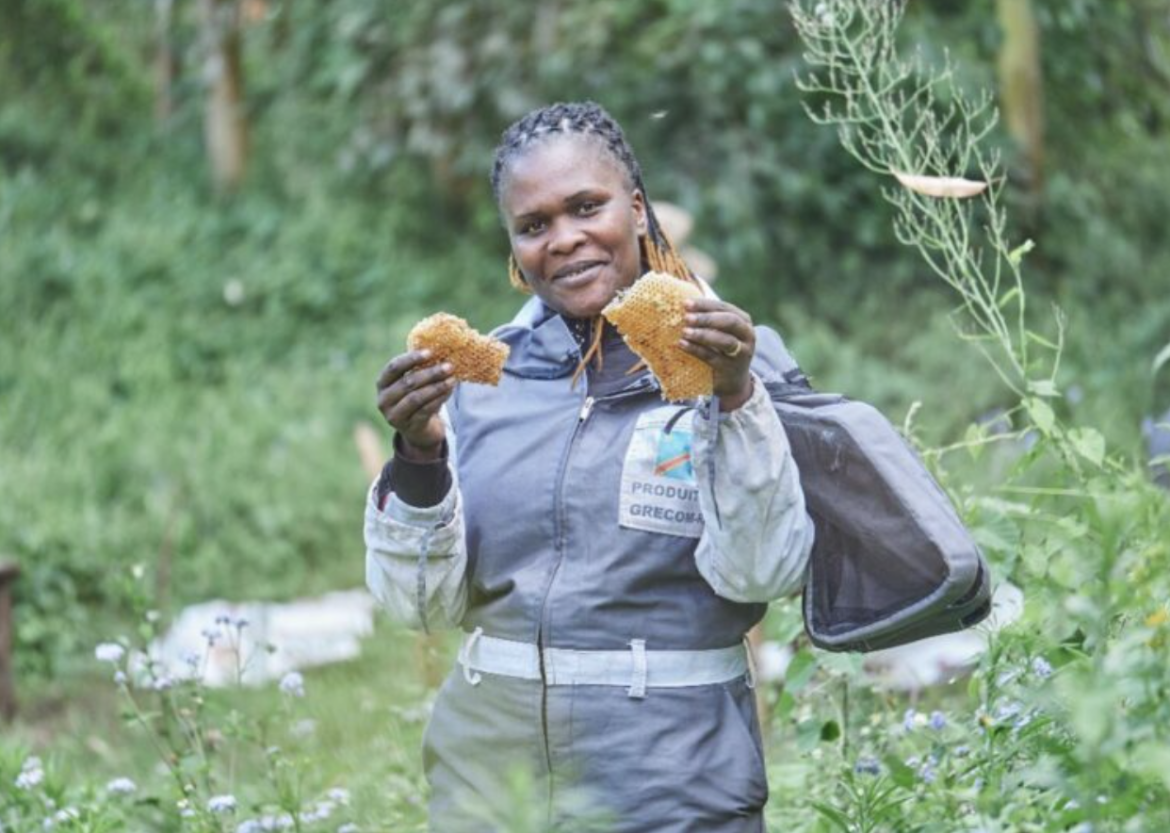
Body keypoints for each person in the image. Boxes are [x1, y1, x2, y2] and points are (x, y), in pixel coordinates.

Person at [364, 101, 815, 832]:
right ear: (513, 247)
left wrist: (734, 395)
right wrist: (419, 452)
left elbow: (766, 572)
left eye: (585, 207)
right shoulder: (485, 383)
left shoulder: (734, 359)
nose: (564, 239)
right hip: (492, 788)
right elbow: (418, 608)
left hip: (673, 788)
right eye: (534, 225)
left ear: (636, 209)